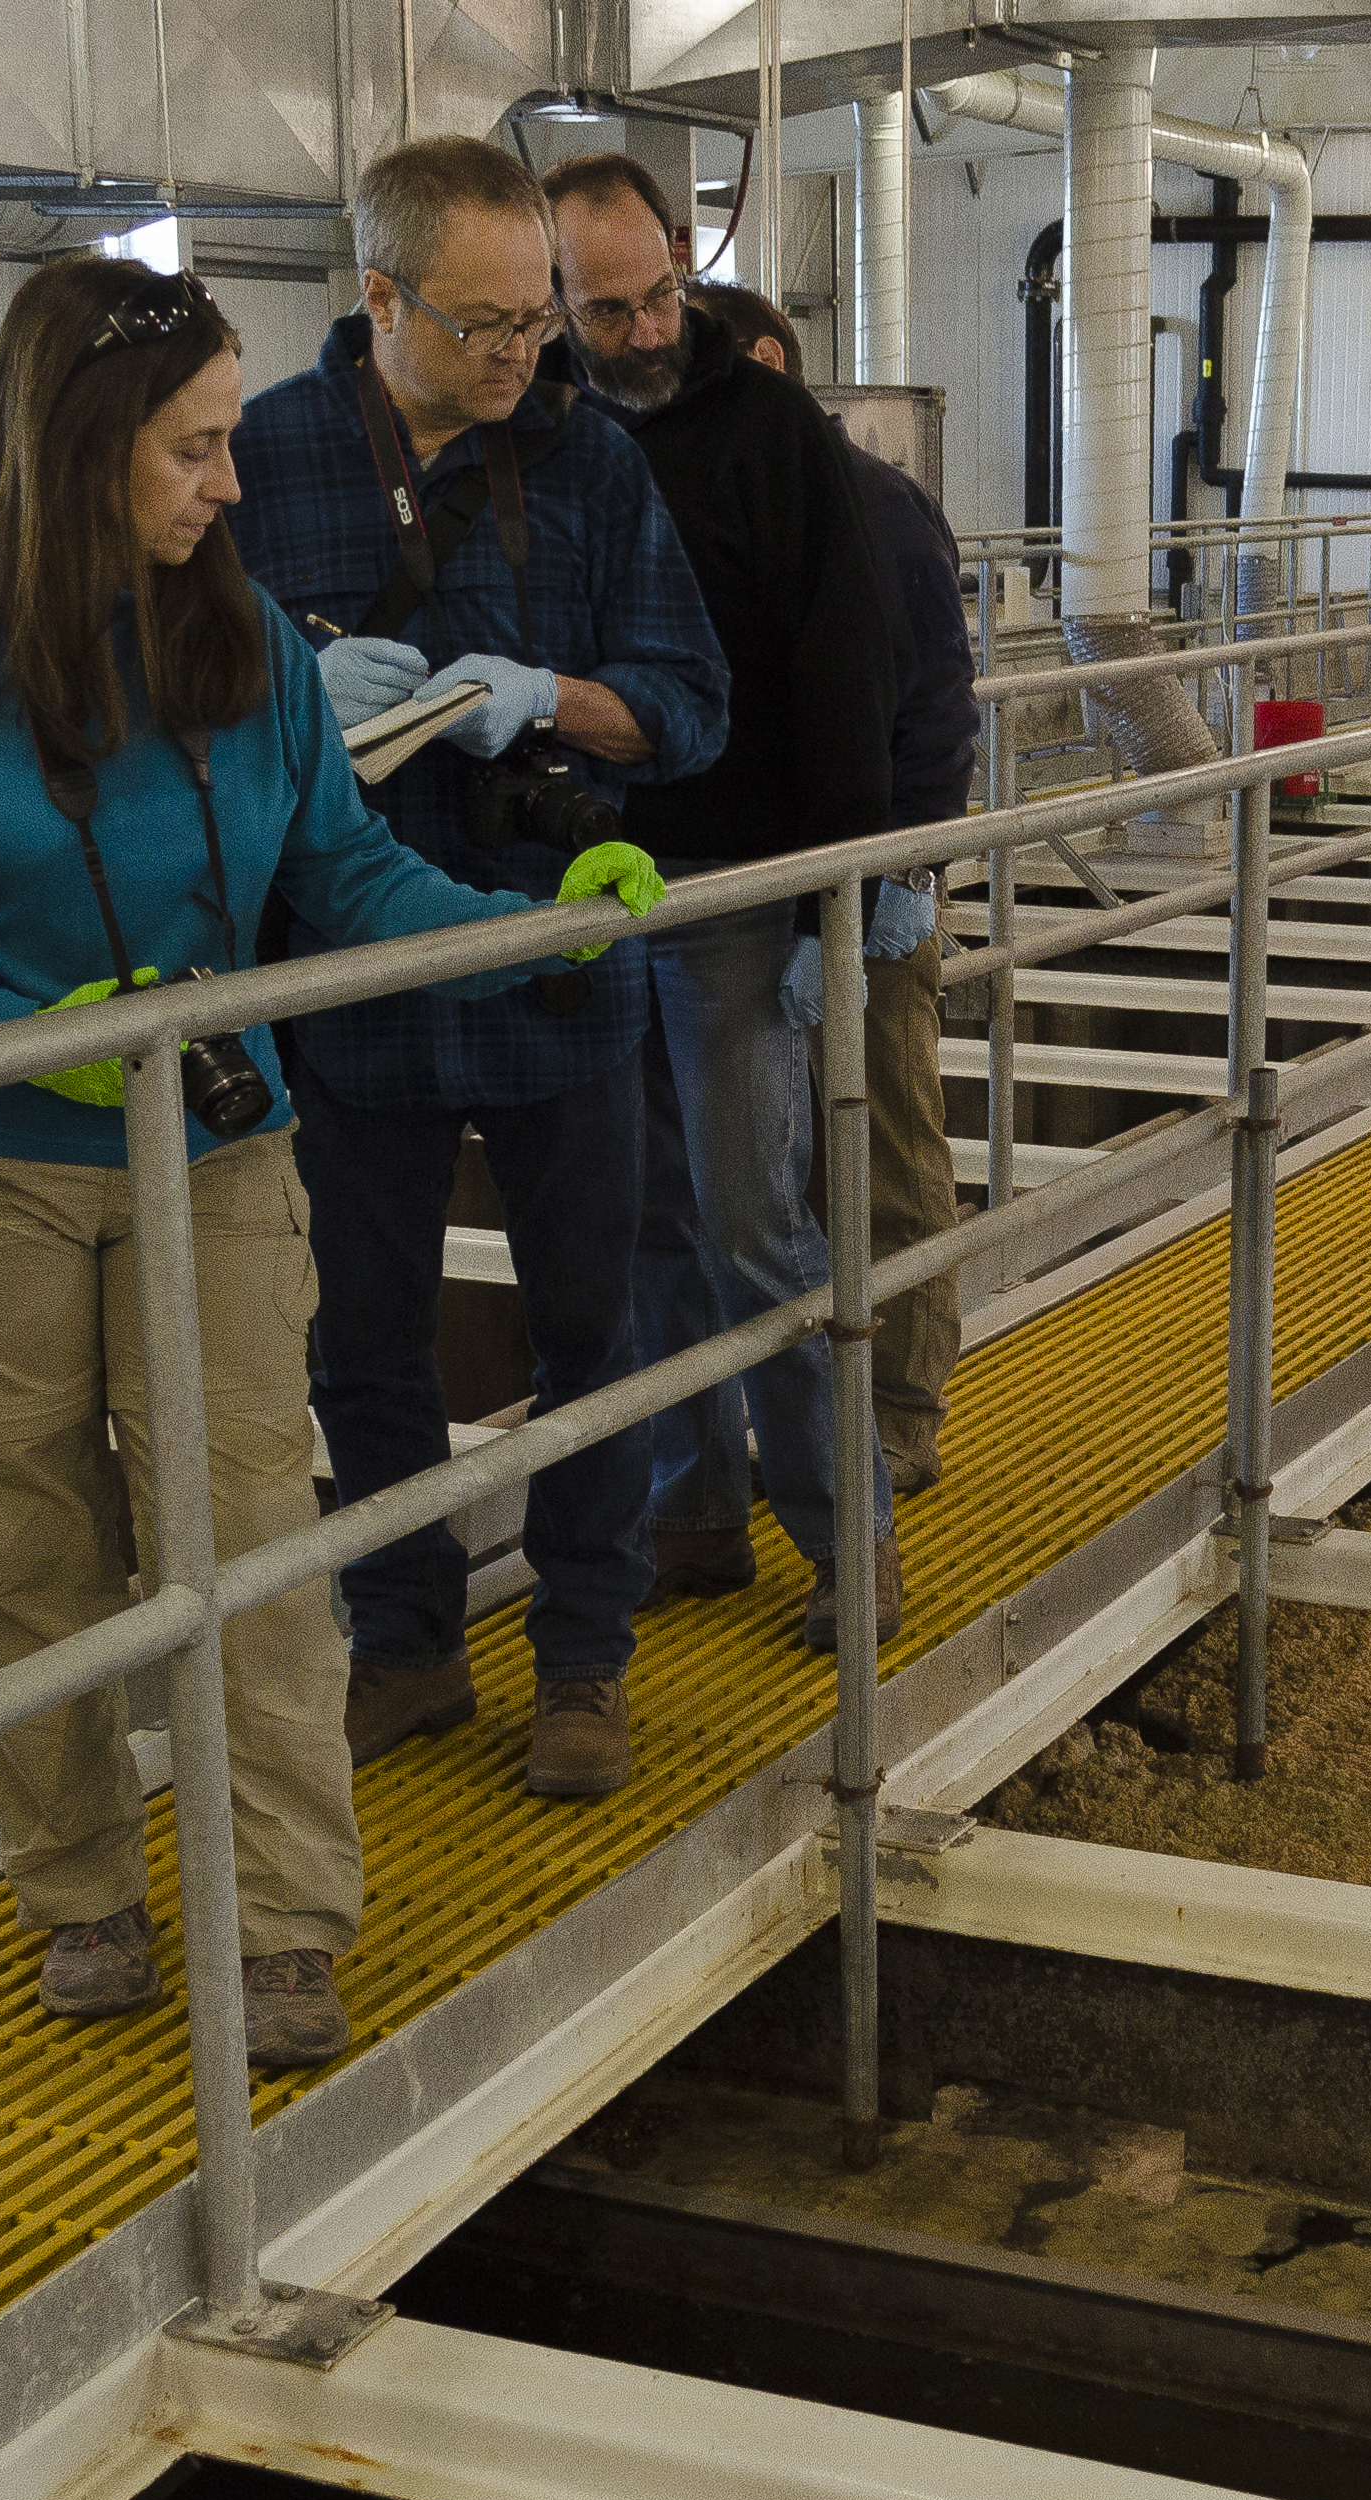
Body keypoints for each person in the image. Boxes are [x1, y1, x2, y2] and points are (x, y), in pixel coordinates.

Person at [0, 257, 658, 2070]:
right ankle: (80, 1884)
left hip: (214, 1151)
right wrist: (29, 1030)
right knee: (17, 1545)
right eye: (190, 448)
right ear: (77, 448)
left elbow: (337, 878)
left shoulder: (241, 641)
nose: (228, 482)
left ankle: (281, 1926)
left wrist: (524, 921)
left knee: (247, 1539)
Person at [227, 135, 731, 1801]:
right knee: (358, 1342)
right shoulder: (259, 456)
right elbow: (169, 715)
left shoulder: (587, 464)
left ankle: (584, 1652)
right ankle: (409, 1644)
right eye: (490, 327)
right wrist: (288, 703)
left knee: (593, 1327)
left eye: (541, 327)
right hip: (345, 988)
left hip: (551, 974)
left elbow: (689, 700)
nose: (529, 360)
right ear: (378, 296)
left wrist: (547, 697)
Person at [539, 153, 908, 1652]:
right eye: (607, 307)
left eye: (661, 295)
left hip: (743, 881)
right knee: (642, 1226)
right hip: (584, 881)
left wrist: (848, 883)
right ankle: (695, 1510)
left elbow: (848, 657)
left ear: (686, 258)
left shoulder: (765, 431)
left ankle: (849, 1534)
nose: (643, 331)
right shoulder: (545, 433)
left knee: (761, 1224)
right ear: (550, 298)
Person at [688, 283, 976, 1497]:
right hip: (741, 896)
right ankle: (760, 1433)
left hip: (864, 891)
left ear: (766, 365)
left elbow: (934, 709)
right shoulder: (706, 499)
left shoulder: (877, 508)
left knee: (884, 1140)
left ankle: (902, 1409)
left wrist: (901, 871)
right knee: (752, 1179)